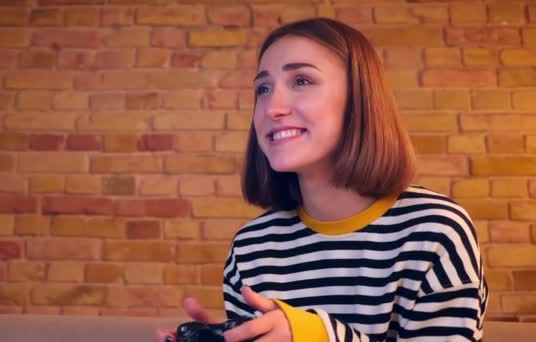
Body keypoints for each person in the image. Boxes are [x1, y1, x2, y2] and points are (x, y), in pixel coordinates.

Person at [156, 17, 488, 342]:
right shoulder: (250, 248)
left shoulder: (435, 232)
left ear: (360, 98)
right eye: (263, 88)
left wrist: (316, 335)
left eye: (301, 81)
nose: (272, 107)